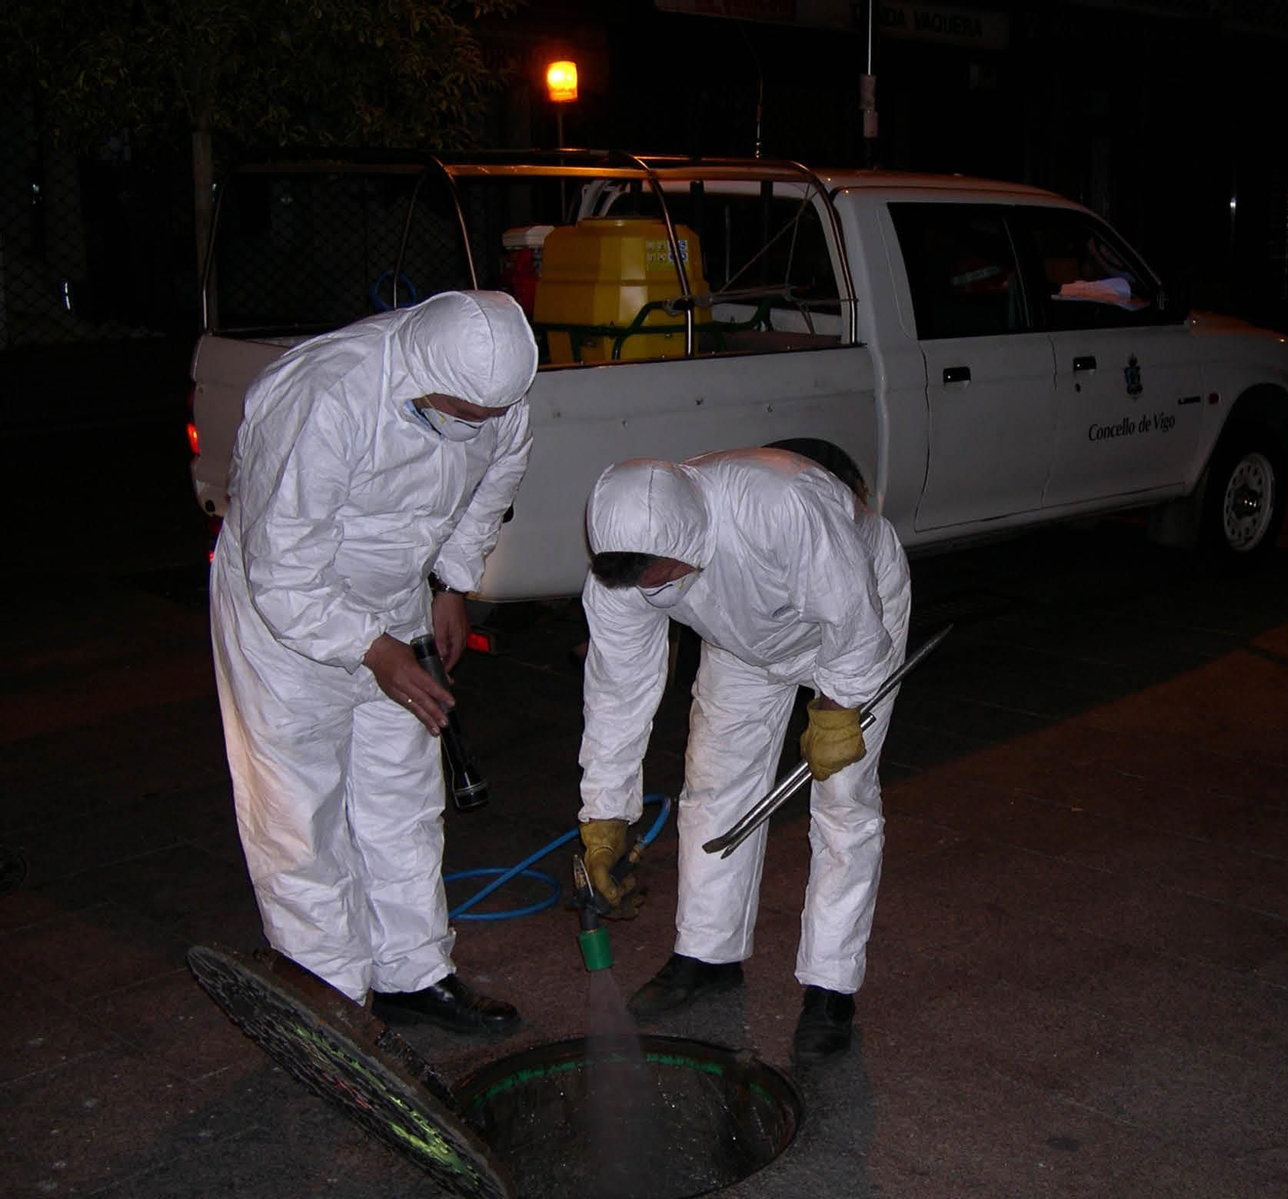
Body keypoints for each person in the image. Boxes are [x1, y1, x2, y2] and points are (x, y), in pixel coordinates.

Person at [210, 290, 538, 1033]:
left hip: (396, 595)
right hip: (286, 611)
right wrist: (373, 648)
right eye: (461, 412)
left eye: (487, 417)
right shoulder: (324, 396)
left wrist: (452, 581)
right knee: (300, 808)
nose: (477, 429)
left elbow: (493, 488)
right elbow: (282, 567)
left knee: (402, 793)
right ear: (418, 372)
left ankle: (412, 972)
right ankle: (330, 1001)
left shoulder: (500, 394)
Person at [577, 447, 911, 1061]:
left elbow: (854, 617)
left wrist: (839, 707)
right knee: (713, 788)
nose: (653, 593)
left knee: (843, 802)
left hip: (853, 619)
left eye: (663, 579)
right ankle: (707, 954)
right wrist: (604, 816)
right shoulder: (621, 575)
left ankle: (830, 986)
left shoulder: (781, 503)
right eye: (644, 586)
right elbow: (618, 694)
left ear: (693, 535)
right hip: (739, 639)